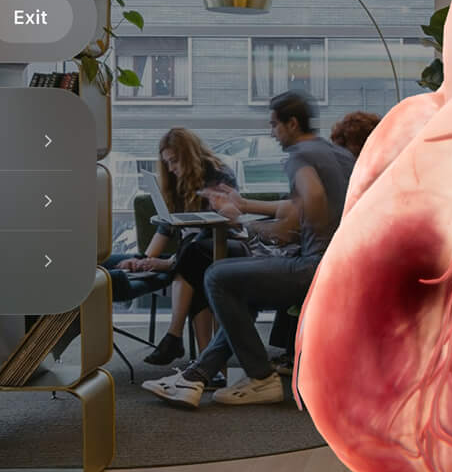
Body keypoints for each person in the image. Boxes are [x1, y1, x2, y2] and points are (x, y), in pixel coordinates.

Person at [143, 91, 354, 408]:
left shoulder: (299, 155)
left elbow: (310, 201)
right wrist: (244, 206)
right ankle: (196, 376)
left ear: (291, 124)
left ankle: (260, 377)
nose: (272, 133)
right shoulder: (334, 154)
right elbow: (299, 204)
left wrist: (267, 227)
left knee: (217, 276)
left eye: (274, 125)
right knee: (241, 289)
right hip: (340, 267)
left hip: (312, 267)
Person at [110, 128, 237, 366]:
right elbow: (166, 228)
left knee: (192, 259)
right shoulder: (176, 182)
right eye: (167, 162)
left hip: (222, 247)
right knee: (194, 270)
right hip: (191, 255)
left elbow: (216, 229)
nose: (170, 168)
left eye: (175, 161)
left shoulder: (219, 175)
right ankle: (205, 360)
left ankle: (175, 338)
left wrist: (167, 262)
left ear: (189, 155)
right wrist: (144, 260)